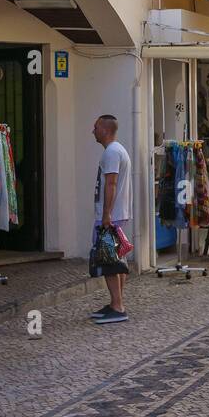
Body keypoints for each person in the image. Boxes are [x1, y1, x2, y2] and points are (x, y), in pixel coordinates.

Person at [90, 114, 133, 324]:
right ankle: (117, 302)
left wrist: (106, 214)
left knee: (109, 260)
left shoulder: (112, 152)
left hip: (111, 216)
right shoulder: (117, 150)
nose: (93, 130)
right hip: (117, 215)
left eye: (96, 127)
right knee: (117, 260)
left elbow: (111, 184)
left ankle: (118, 306)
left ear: (105, 130)